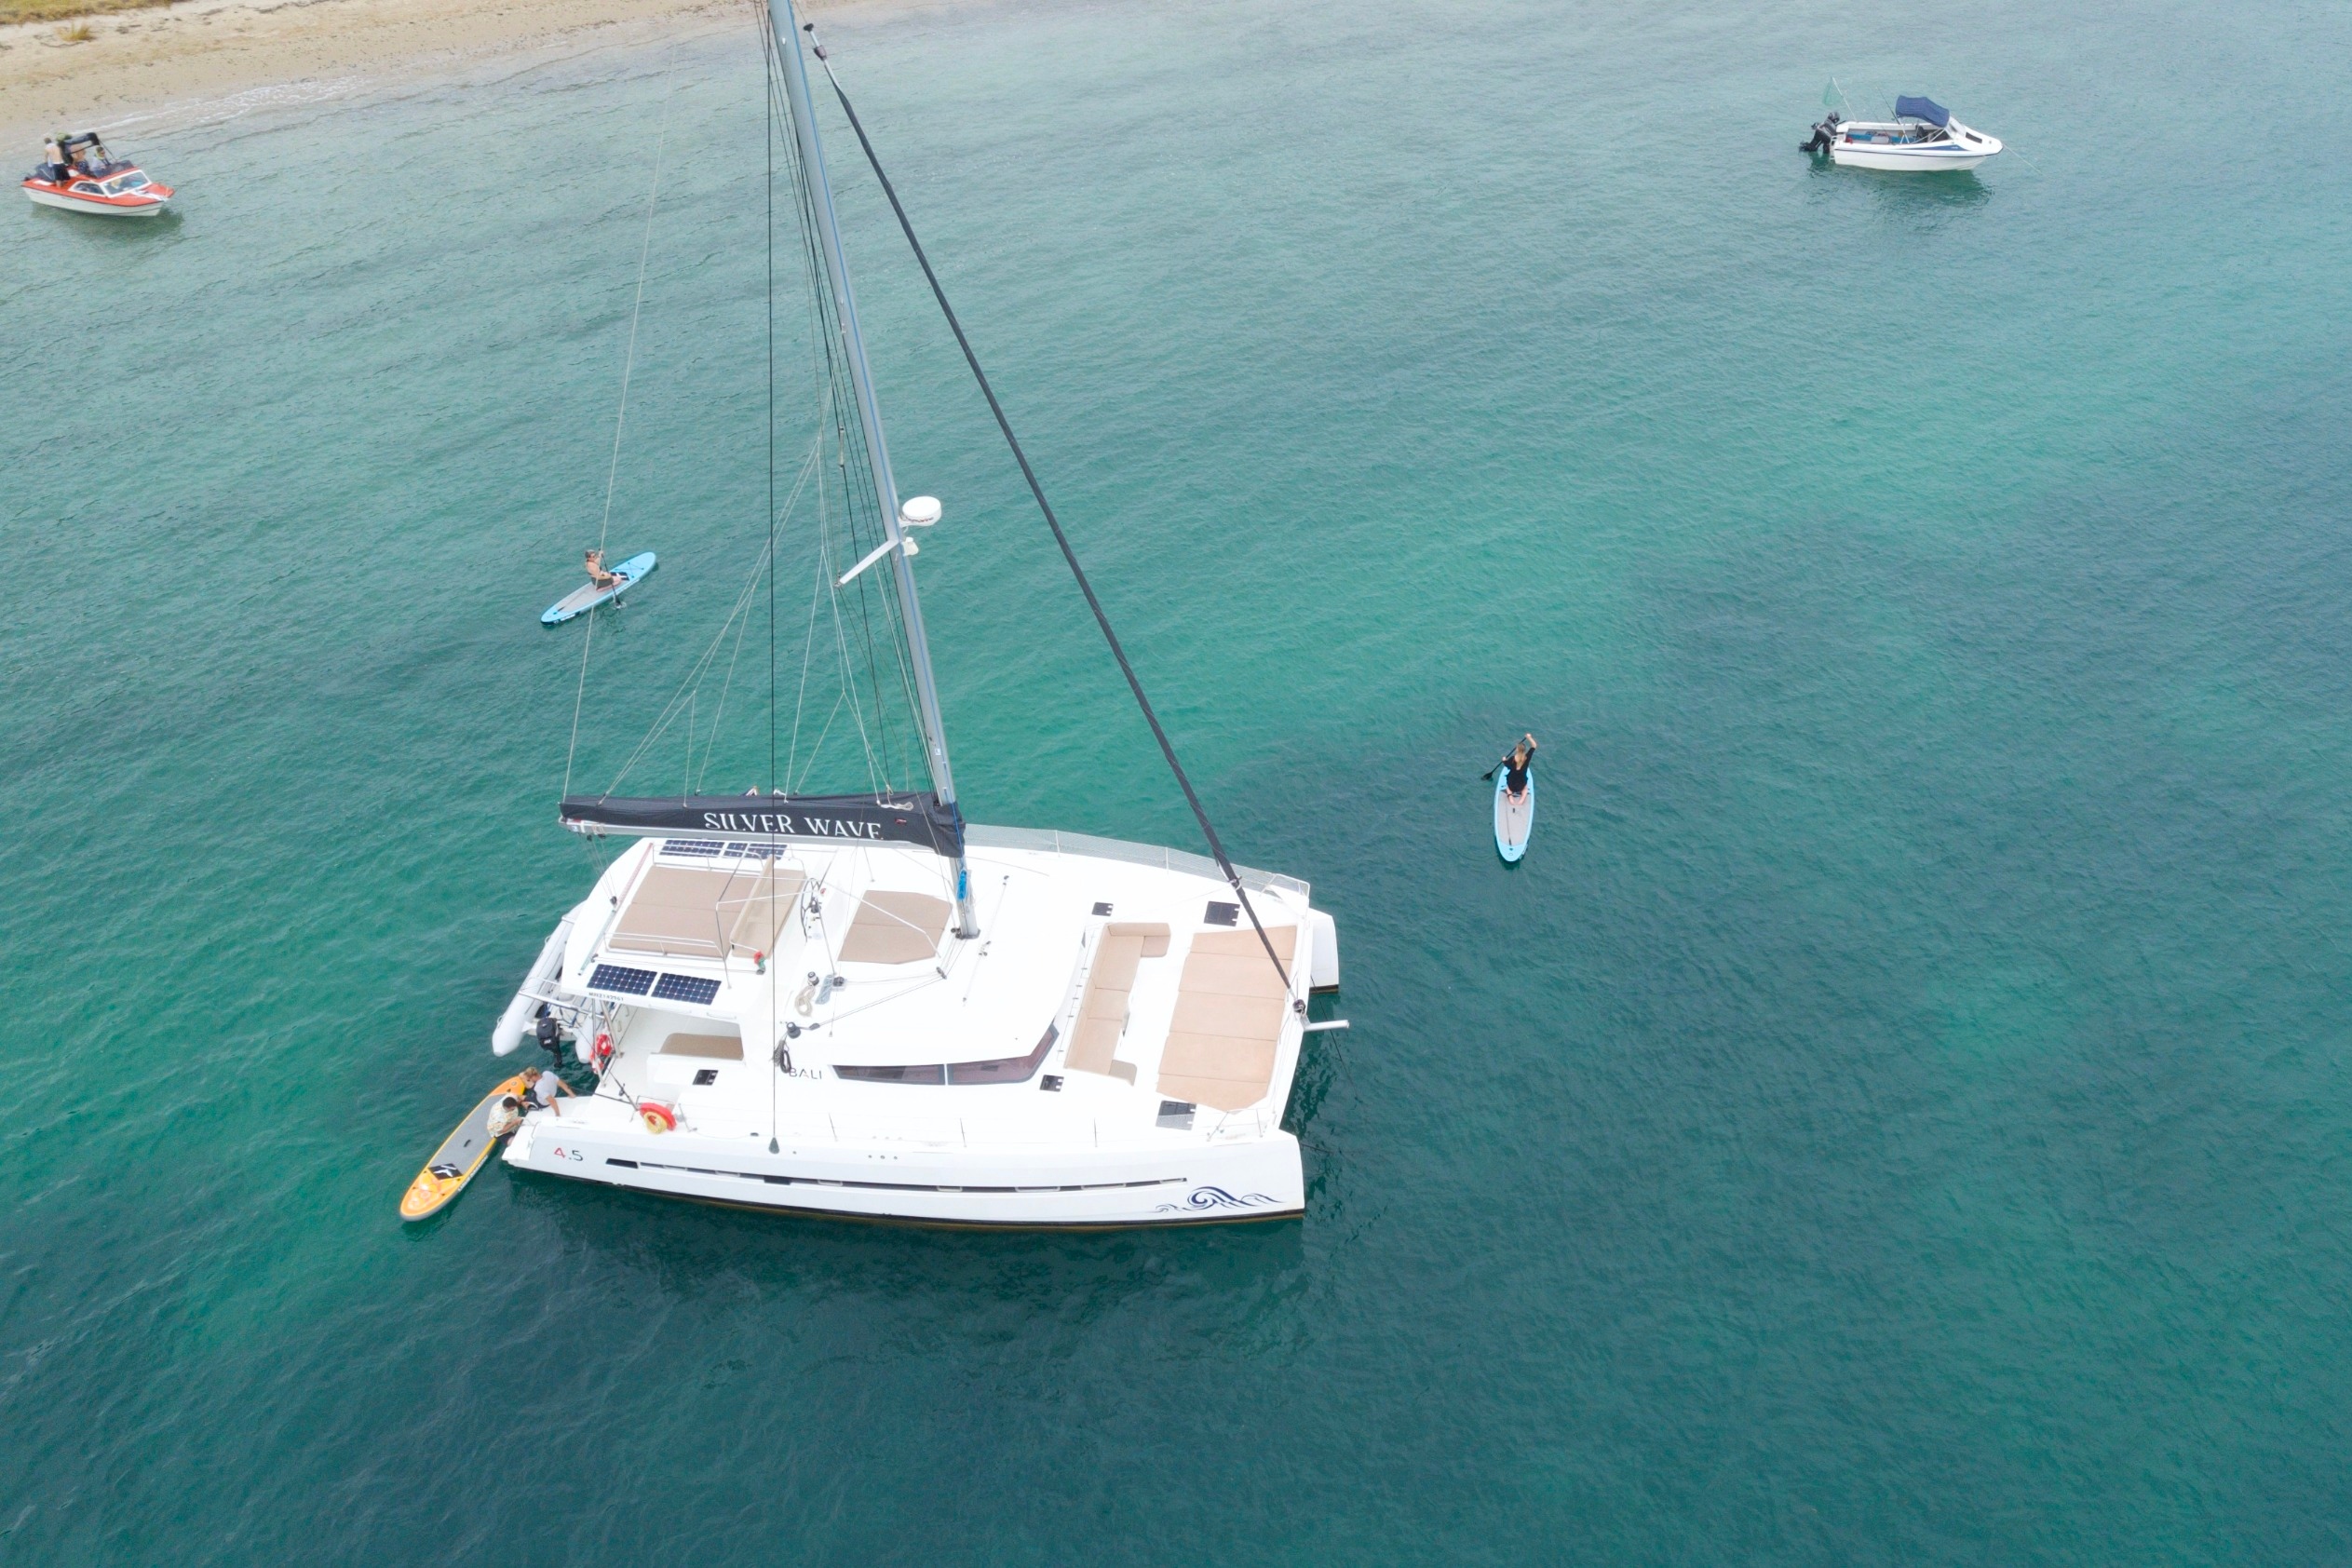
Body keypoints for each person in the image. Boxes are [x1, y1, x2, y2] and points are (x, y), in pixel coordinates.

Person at [1499, 733, 1537, 800]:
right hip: (1521, 785)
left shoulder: (1512, 760)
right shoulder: (1527, 758)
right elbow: (1534, 746)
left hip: (1511, 785)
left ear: (1517, 750)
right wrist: (1529, 738)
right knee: (1525, 788)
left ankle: (1511, 798)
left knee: (1508, 788)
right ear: (1524, 750)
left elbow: (1506, 765)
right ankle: (1521, 801)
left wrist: (1504, 760)